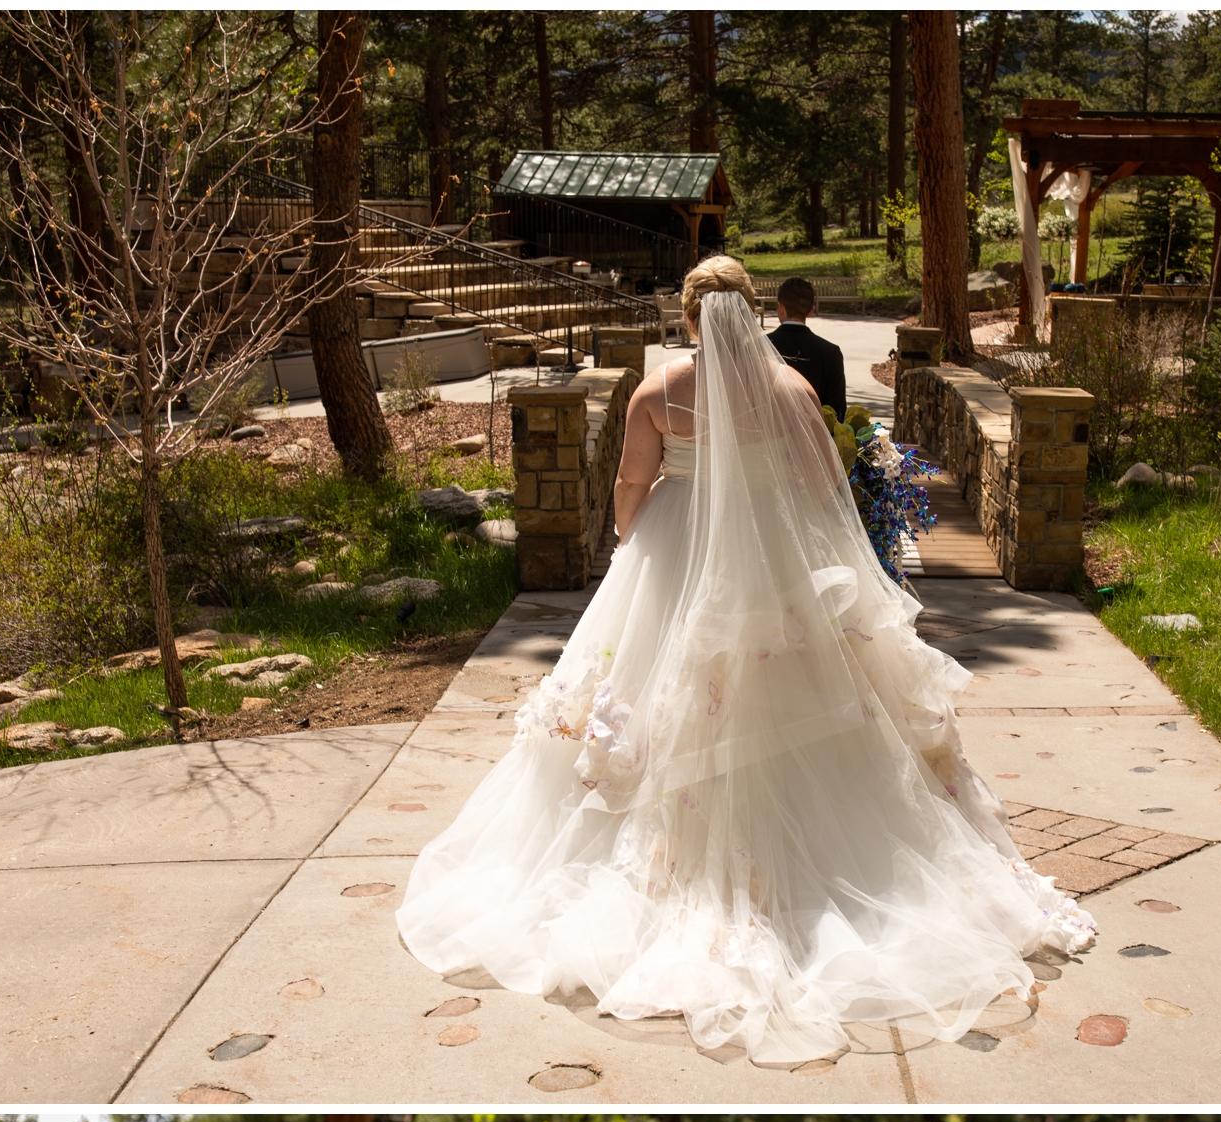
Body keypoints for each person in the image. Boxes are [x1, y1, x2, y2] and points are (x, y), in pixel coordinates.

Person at [396, 254, 1094, 1066]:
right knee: (791, 697)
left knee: (648, 694)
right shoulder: (793, 392)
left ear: (689, 320)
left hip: (673, 551)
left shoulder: (659, 395)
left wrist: (633, 546)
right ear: (754, 313)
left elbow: (630, 481)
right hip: (769, 561)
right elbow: (828, 492)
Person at [765, 274, 846, 422]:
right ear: (811, 311)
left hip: (768, 439)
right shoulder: (830, 352)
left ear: (780, 307)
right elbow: (837, 412)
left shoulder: (759, 346)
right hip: (815, 439)